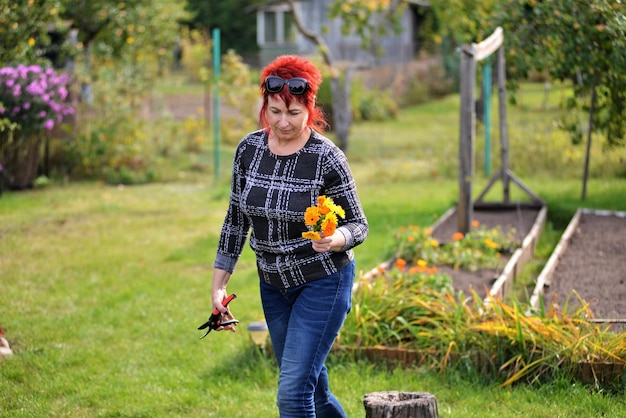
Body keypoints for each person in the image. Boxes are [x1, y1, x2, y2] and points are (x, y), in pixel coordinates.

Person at [210, 54, 368, 418]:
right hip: (274, 287)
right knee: (312, 389)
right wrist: (219, 285)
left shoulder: (327, 157)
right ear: (265, 105)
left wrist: (336, 239)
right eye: (275, 111)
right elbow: (236, 219)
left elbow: (359, 224)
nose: (283, 122)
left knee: (293, 395)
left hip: (323, 282)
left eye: (293, 113)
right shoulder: (249, 150)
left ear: (310, 108)